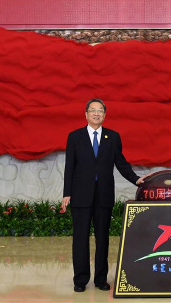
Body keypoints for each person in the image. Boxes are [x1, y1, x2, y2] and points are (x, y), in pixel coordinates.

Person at [61, 99, 146, 292]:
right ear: (86, 114)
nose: (96, 114)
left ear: (105, 115)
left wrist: (136, 179)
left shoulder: (113, 137)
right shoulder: (75, 137)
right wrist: (67, 193)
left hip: (103, 196)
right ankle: (80, 280)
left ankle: (101, 279)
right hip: (81, 195)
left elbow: (121, 163)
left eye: (100, 111)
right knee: (80, 239)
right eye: (93, 110)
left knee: (103, 238)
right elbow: (69, 166)